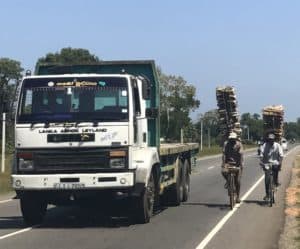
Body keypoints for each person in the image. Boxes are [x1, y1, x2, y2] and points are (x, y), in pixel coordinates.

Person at [260, 133, 283, 201]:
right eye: (270, 139)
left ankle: (275, 183)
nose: (271, 141)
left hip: (275, 163)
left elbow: (281, 155)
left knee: (275, 174)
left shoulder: (277, 145)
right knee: (267, 179)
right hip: (267, 164)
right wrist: (261, 162)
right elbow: (261, 154)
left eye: (272, 139)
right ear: (268, 140)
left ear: (274, 139)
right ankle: (267, 194)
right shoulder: (265, 145)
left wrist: (280, 163)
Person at [222, 132, 244, 203]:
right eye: (231, 139)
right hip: (228, 162)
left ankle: (238, 197)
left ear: (235, 139)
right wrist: (224, 163)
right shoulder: (226, 144)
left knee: (237, 181)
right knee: (224, 171)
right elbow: (224, 154)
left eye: (233, 139)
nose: (232, 140)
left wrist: (240, 165)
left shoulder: (239, 144)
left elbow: (240, 155)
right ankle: (228, 181)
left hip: (237, 163)